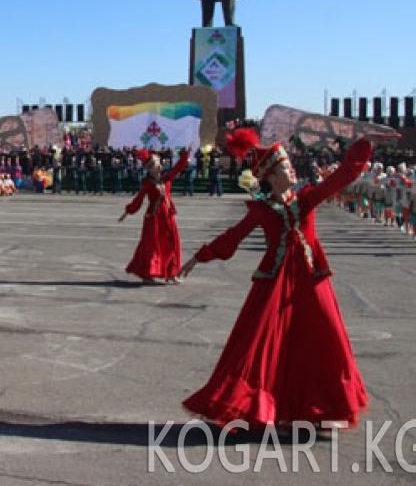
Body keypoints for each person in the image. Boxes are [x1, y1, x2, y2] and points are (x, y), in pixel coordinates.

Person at [178, 128, 399, 429]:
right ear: (270, 175)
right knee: (261, 345)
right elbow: (232, 238)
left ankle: (326, 405)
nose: (292, 171)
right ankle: (259, 406)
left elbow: (342, 177)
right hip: (274, 283)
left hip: (311, 279)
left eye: (290, 166)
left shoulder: (307, 198)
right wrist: (198, 257)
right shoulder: (262, 210)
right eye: (285, 167)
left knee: (325, 338)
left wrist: (365, 145)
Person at [118, 147, 190, 283]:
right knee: (152, 245)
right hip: (154, 218)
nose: (160, 164)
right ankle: (148, 273)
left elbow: (178, 169)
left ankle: (172, 273)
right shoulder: (148, 184)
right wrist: (128, 211)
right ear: (150, 168)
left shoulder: (166, 178)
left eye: (159, 162)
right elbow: (138, 200)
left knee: (173, 243)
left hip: (168, 216)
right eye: (156, 163)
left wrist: (185, 156)